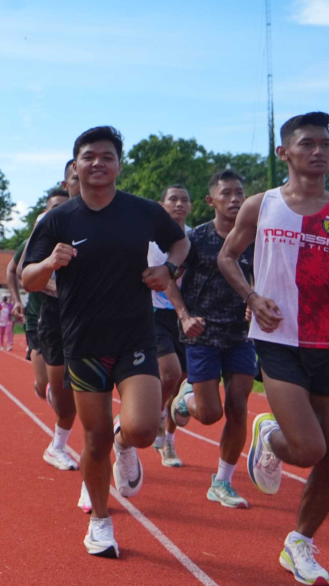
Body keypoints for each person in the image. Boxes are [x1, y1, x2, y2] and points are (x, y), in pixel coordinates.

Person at [218, 112, 329, 586]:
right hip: (277, 341)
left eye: (325, 144)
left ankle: (299, 543)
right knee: (309, 448)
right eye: (307, 143)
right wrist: (252, 298)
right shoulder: (260, 205)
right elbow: (227, 256)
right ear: (285, 153)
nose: (318, 151)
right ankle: (270, 438)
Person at [23, 126, 187, 559]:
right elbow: (27, 276)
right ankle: (100, 521)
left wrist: (168, 268)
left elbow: (181, 242)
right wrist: (48, 263)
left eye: (107, 156)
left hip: (135, 334)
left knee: (143, 428)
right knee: (93, 438)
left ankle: (125, 443)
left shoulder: (143, 212)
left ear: (119, 164)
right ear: (75, 166)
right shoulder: (59, 219)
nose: (98, 163)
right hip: (84, 343)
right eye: (89, 156)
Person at [167, 170, 256, 509]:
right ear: (211, 201)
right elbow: (167, 277)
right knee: (209, 414)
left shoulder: (254, 238)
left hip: (240, 335)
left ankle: (222, 481)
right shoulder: (195, 240)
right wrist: (184, 315)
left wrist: (256, 301)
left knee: (238, 406)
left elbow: (261, 277)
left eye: (240, 193)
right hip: (201, 334)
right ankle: (184, 397)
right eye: (227, 193)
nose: (235, 199)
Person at [11, 185, 78, 472]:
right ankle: (54, 394)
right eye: (53, 207)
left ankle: (62, 444)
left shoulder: (80, 233)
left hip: (76, 318)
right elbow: (16, 270)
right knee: (44, 386)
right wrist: (18, 300)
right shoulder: (39, 236)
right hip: (39, 315)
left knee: (74, 390)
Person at [148, 184, 192, 468]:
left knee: (184, 382)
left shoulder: (194, 237)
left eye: (184, 200)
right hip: (155, 314)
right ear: (162, 204)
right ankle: (156, 420)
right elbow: (167, 280)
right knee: (170, 374)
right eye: (172, 199)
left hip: (189, 317)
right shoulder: (151, 241)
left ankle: (169, 442)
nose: (178, 204)